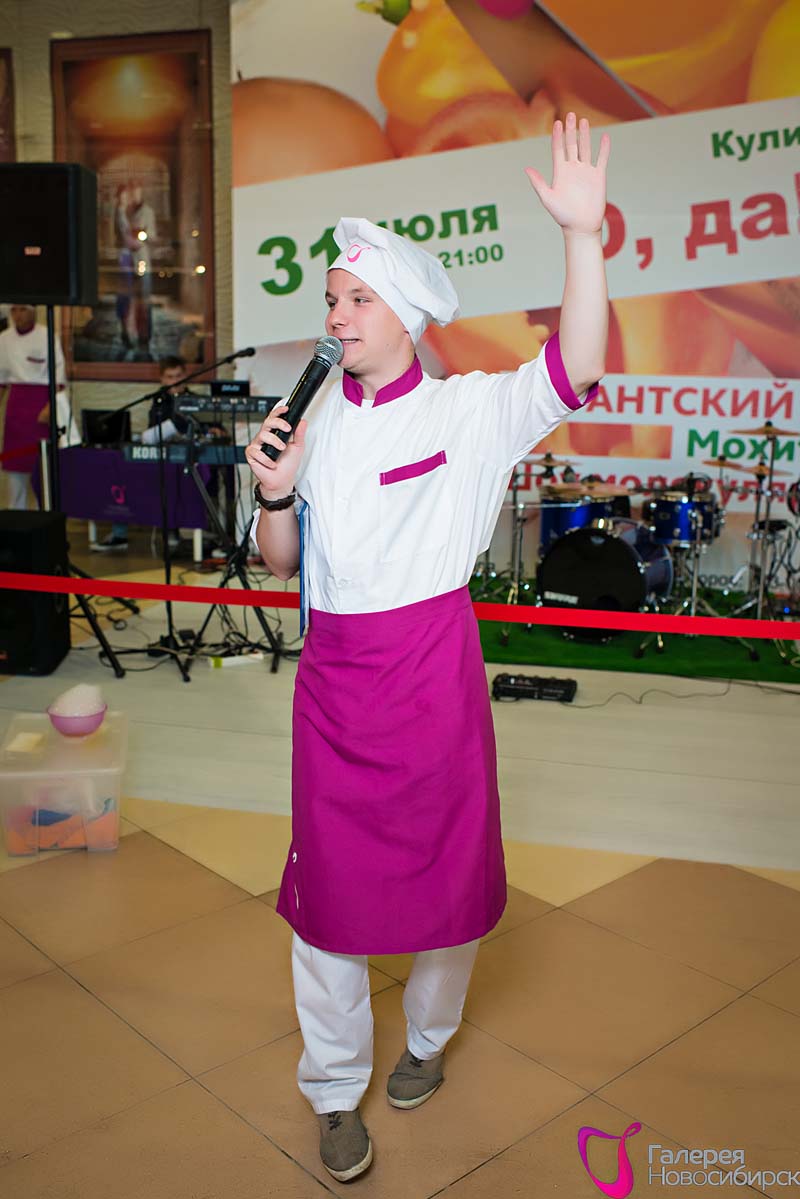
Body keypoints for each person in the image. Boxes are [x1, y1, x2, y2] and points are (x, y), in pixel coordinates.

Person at [245, 113, 609, 1184]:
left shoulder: (469, 413)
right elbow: (277, 560)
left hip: (434, 673)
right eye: (330, 299)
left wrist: (581, 236)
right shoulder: (309, 421)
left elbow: (577, 364)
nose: (336, 315)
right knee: (325, 904)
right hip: (334, 683)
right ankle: (332, 1087)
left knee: (448, 888)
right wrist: (275, 490)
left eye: (358, 298)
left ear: (404, 315)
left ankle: (427, 1041)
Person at [91, 355, 226, 552]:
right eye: (170, 377)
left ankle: (193, 534)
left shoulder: (198, 402)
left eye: (179, 376)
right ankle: (120, 534)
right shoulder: (159, 402)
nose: (175, 381)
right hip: (162, 461)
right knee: (121, 474)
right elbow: (152, 434)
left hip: (191, 462)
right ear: (162, 379)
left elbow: (218, 431)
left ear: (186, 376)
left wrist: (212, 432)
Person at [0, 303, 77, 509]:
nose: (18, 315)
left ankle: (44, 514)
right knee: (15, 470)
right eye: (14, 310)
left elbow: (58, 378)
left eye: (23, 310)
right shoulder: (4, 339)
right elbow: (1, 379)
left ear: (33, 311)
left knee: (43, 468)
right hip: (16, 407)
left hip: (42, 404)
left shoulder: (47, 336)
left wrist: (50, 407)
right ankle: (17, 515)